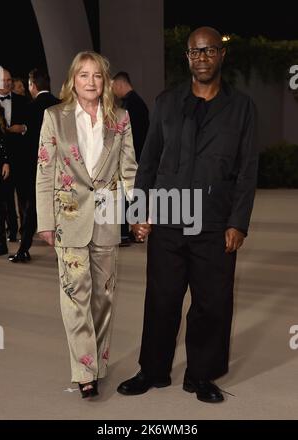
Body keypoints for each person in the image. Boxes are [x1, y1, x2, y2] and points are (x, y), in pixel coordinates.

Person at [117, 27, 258, 403]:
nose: (202, 58)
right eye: (195, 52)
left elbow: (247, 170)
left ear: (221, 55)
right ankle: (152, 370)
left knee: (212, 303)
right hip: (167, 217)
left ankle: (202, 375)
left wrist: (237, 222)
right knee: (161, 300)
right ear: (188, 58)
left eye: (209, 50)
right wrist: (137, 210)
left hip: (214, 222)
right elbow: (147, 162)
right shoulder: (166, 102)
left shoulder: (242, 107)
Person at [36, 51, 137, 398]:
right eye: (84, 75)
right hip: (68, 221)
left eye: (97, 76)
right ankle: (84, 370)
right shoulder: (54, 117)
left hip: (107, 219)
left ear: (104, 81)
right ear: (72, 80)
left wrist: (138, 212)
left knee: (103, 298)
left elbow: (129, 172)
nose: (91, 82)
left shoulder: (120, 119)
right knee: (75, 296)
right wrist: (45, 221)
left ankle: (99, 362)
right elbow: (45, 171)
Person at [9, 68, 60, 262]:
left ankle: (24, 249)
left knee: (32, 208)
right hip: (60, 167)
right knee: (60, 208)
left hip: (36, 167)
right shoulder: (61, 106)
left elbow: (28, 143)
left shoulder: (29, 108)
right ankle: (63, 250)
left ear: (32, 85)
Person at [112, 72, 149, 246]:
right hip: (138, 156)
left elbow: (129, 137)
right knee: (132, 195)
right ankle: (131, 232)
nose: (112, 91)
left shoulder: (129, 106)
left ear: (120, 84)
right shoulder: (137, 103)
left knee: (128, 195)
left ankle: (128, 234)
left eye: (113, 87)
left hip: (133, 157)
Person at [0, 68, 29, 242]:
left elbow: (32, 125)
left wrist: (23, 129)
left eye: (10, 80)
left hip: (20, 156)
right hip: (1, 158)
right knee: (6, 197)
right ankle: (11, 231)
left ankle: (25, 230)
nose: (9, 83)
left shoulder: (22, 101)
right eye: (5, 80)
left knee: (22, 195)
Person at [0, 97, 10, 256]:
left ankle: (1, 244)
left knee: (0, 206)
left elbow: (3, 141)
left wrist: (6, 162)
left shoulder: (0, 116)